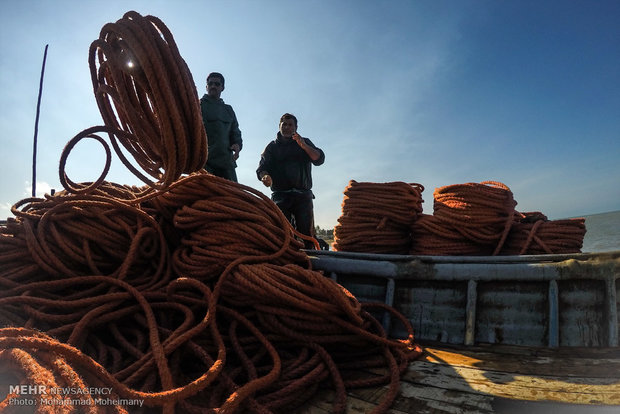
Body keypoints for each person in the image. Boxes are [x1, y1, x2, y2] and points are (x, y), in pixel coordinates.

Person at [257, 113, 325, 249]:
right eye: (285, 124)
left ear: (296, 127)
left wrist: (304, 146)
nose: (287, 127)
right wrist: (265, 176)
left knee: (307, 233)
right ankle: (288, 262)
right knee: (284, 233)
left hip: (303, 196)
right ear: (279, 126)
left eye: (290, 125)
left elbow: (319, 159)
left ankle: (312, 265)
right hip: (280, 196)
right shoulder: (271, 147)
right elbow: (262, 169)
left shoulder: (304, 142)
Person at [200, 72, 242, 182]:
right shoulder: (197, 106)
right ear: (206, 86)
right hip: (204, 163)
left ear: (222, 87)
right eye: (210, 84)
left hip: (226, 163)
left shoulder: (228, 110)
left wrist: (237, 145)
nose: (213, 86)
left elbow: (235, 132)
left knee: (233, 197)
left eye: (217, 84)